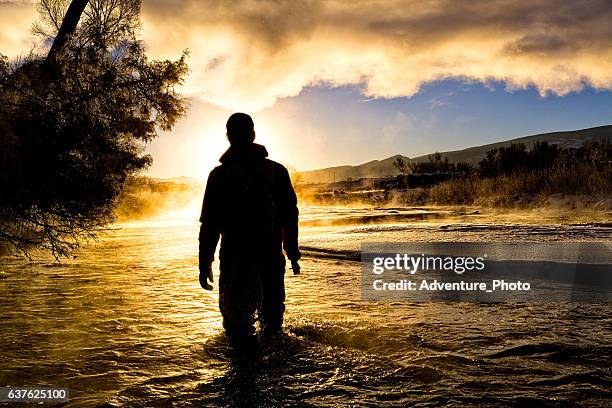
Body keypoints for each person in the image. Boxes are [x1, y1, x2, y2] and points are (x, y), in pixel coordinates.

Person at [198, 112, 301, 352]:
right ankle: (274, 377)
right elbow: (289, 215)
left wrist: (205, 264)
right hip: (269, 255)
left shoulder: (219, 176)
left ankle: (244, 378)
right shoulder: (276, 171)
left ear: (228, 137)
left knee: (236, 326)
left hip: (235, 258)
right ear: (253, 135)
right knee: (272, 323)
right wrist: (292, 251)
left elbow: (210, 226)